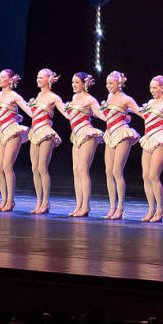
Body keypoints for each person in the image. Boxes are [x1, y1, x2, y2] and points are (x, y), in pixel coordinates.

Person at [132, 75, 163, 222]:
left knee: (153, 175)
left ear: (162, 88)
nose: (152, 90)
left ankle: (160, 210)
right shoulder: (150, 103)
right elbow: (144, 115)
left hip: (160, 139)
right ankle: (151, 209)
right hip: (148, 139)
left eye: (155, 87)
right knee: (145, 176)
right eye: (150, 88)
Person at [97, 70, 140, 220]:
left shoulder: (126, 99)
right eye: (107, 83)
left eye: (111, 83)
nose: (108, 86)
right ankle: (112, 207)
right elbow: (107, 117)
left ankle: (120, 208)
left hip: (122, 134)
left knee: (117, 171)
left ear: (120, 83)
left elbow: (141, 112)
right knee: (108, 171)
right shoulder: (109, 98)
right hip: (110, 134)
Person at [63, 72, 103, 217]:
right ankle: (78, 205)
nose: (74, 85)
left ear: (84, 84)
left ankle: (86, 206)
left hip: (87, 133)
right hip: (76, 135)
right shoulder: (74, 98)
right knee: (76, 170)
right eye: (73, 82)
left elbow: (101, 115)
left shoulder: (90, 100)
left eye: (77, 82)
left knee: (83, 169)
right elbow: (70, 115)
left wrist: (120, 117)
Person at [0, 68, 30, 211]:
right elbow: (0, 112)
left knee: (7, 166)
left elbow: (29, 111)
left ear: (10, 80)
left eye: (2, 77)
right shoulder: (0, 95)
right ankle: (3, 199)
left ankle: (10, 200)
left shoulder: (15, 96)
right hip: (2, 132)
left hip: (13, 131)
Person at [28, 69, 65, 214]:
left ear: (49, 80)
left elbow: (66, 114)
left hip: (46, 132)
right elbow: (32, 113)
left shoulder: (54, 97)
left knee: (42, 167)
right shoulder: (37, 97)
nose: (38, 79)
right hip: (35, 132)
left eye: (41, 77)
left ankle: (46, 202)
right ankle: (38, 201)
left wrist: (82, 111)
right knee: (34, 168)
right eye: (37, 77)